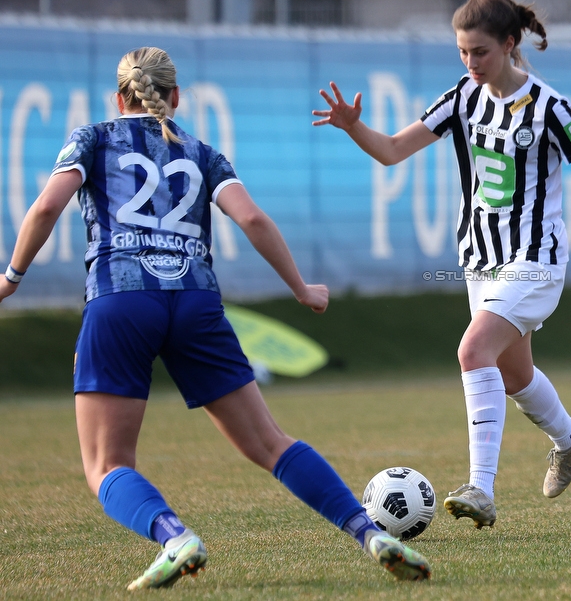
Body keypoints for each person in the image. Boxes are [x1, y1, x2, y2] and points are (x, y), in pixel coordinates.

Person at [0, 47, 430, 590]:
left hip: (122, 299)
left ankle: (175, 537)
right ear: (175, 98)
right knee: (270, 443)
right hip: (195, 301)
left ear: (118, 97)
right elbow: (250, 217)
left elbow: (44, 208)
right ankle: (369, 532)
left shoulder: (93, 138)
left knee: (106, 464)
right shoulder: (202, 152)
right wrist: (300, 288)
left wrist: (11, 278)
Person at [313, 0, 571, 529]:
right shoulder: (460, 98)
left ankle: (481, 488)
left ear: (510, 42)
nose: (471, 62)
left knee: (473, 351)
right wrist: (356, 127)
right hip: (481, 261)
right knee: (514, 373)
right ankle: (569, 439)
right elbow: (393, 151)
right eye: (462, 52)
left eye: (481, 52)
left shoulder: (551, 107)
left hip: (535, 259)